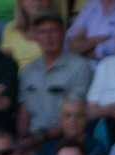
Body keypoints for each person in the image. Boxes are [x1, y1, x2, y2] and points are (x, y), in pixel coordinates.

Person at [17, 11, 94, 145]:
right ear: (35, 37)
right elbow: (24, 112)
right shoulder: (28, 71)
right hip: (31, 140)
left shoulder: (80, 67)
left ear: (63, 34)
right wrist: (22, 139)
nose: (48, 37)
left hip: (65, 141)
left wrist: (40, 138)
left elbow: (75, 115)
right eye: (42, 32)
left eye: (53, 31)